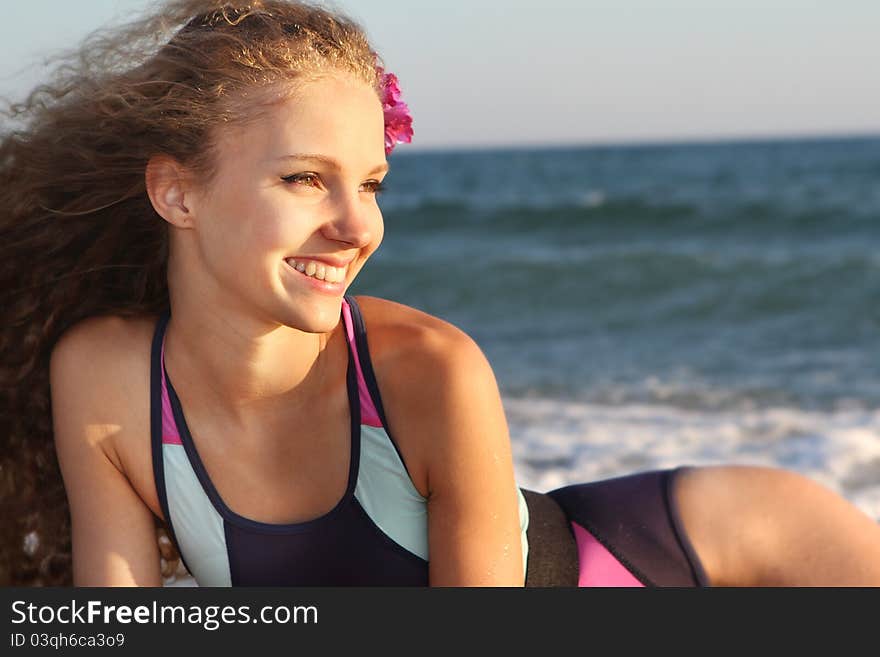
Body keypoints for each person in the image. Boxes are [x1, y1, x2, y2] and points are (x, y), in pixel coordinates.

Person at [1, 0, 878, 587]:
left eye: (373, 183)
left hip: (701, 556)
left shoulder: (427, 370)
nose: (359, 226)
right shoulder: (107, 380)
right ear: (176, 192)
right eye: (307, 179)